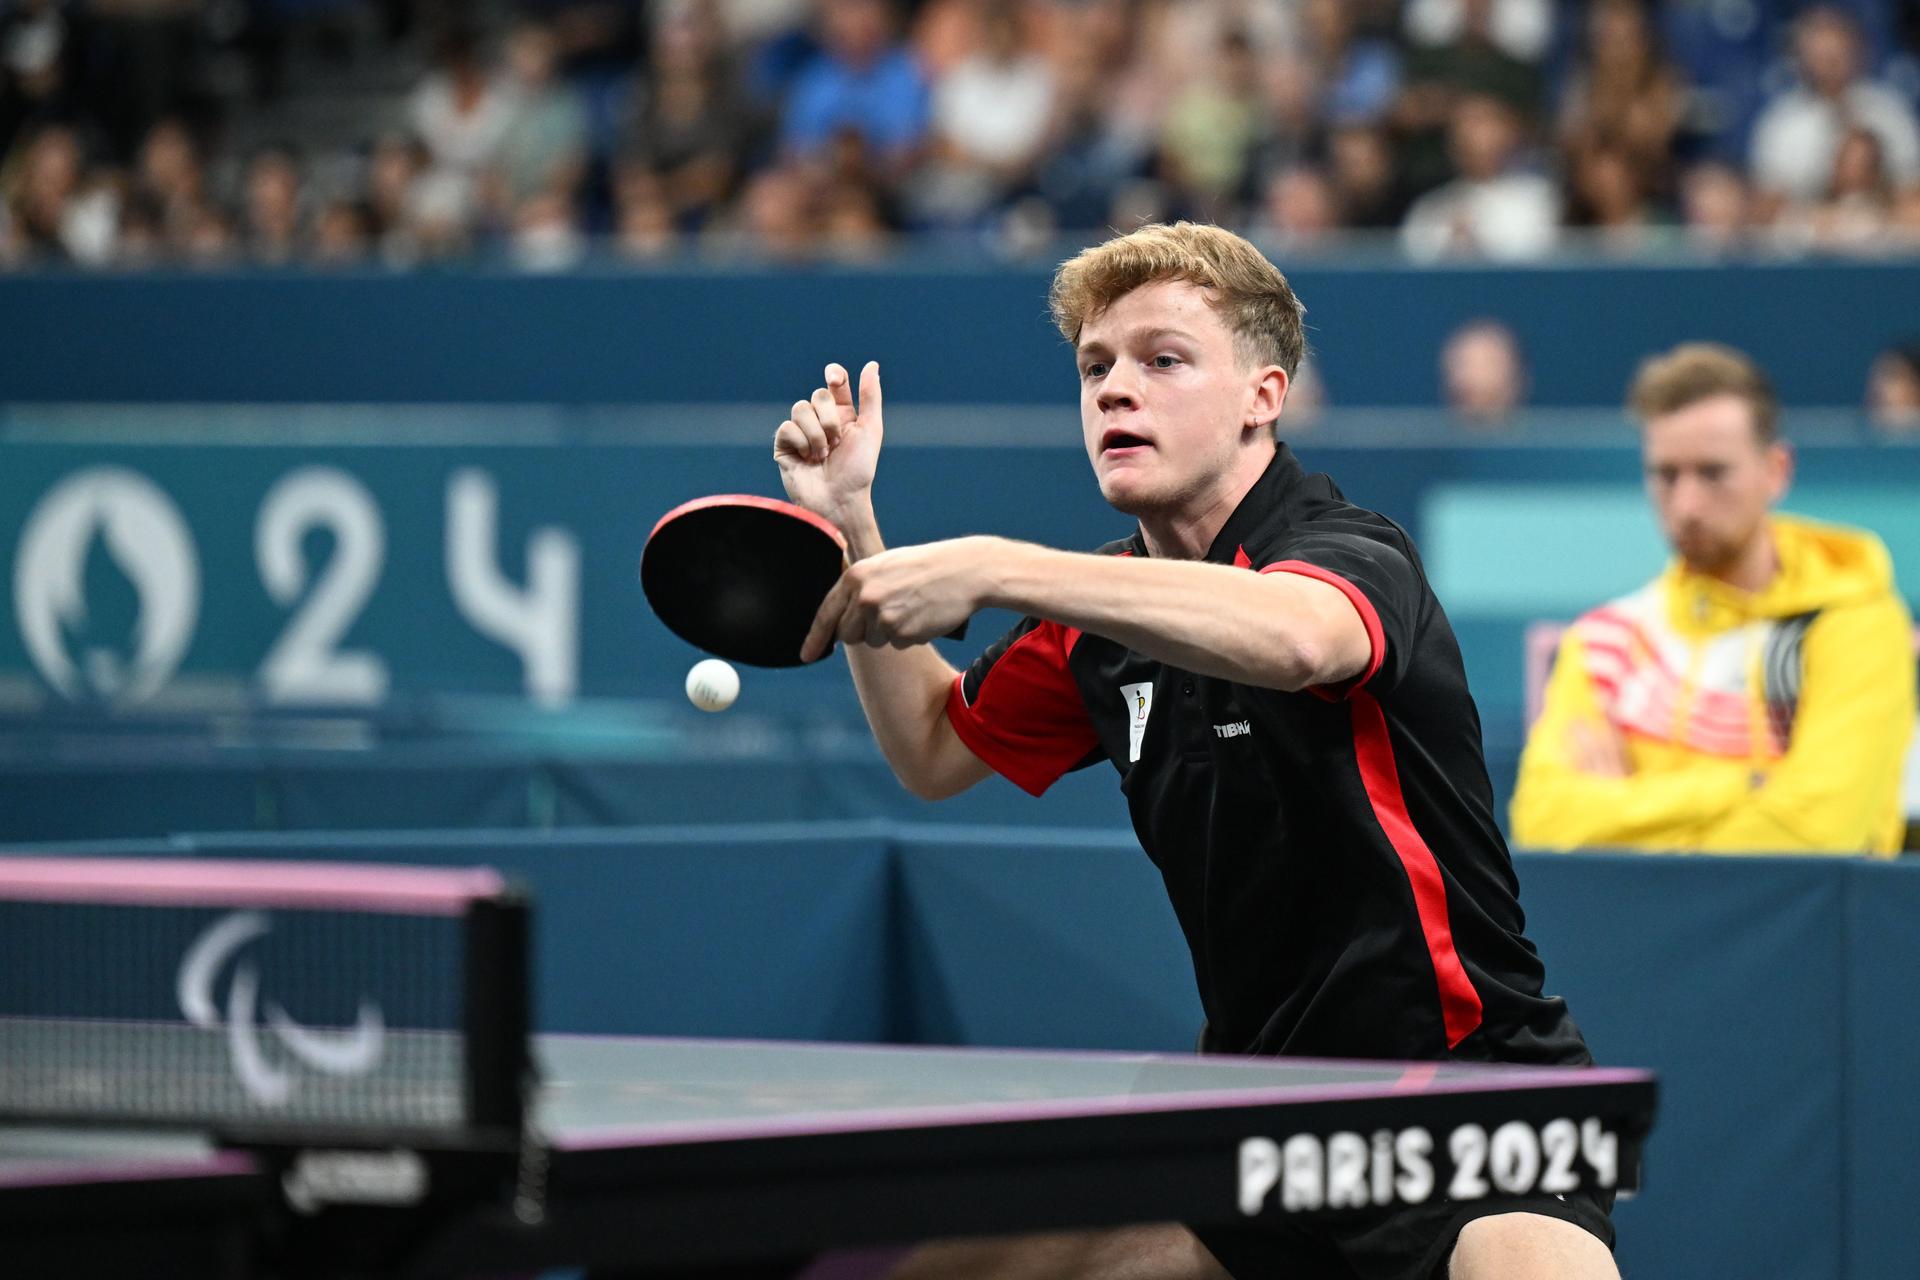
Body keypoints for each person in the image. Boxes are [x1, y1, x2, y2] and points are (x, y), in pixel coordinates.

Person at [773, 222, 1617, 1280]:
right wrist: (855, 520)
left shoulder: (1352, 552)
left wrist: (1000, 564)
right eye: (1094, 366)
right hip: (1266, 1121)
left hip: (1475, 1099)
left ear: (1264, 395)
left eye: (1163, 360)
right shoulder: (1096, 619)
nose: (1115, 390)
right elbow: (935, 748)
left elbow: (1301, 634)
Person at [1511, 343, 1915, 854]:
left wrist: (1624, 807)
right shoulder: (1602, 639)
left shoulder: (1858, 624)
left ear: (1777, 470)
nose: (1687, 504)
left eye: (1713, 472)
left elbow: (1821, 834)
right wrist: (1748, 785)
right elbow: (1541, 820)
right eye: (1666, 474)